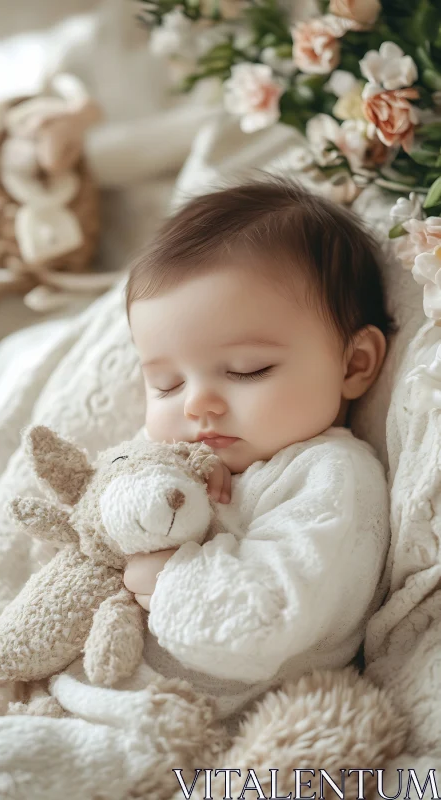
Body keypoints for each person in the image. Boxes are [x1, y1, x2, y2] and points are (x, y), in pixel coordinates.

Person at [123, 178, 394, 724]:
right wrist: (141, 490)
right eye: (168, 385)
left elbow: (265, 619)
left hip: (193, 726)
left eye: (248, 370)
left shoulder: (330, 477)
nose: (198, 405)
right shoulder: (174, 455)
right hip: (94, 690)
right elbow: (99, 499)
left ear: (353, 364)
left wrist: (162, 576)